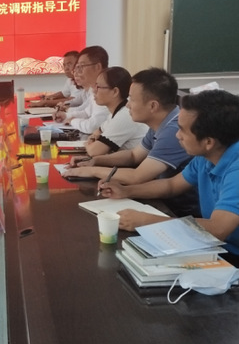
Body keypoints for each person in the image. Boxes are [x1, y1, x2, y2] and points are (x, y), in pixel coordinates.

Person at [99, 89, 239, 254]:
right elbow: (172, 185)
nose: (177, 135)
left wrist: (146, 221)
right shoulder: (207, 156)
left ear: (208, 142)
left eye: (182, 130)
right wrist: (126, 190)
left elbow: (218, 229)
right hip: (213, 245)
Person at [64, 67, 198, 217]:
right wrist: (96, 161)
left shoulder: (174, 130)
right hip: (164, 200)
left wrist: (92, 171)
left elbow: (137, 176)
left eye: (132, 99)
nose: (127, 105)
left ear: (153, 106)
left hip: (181, 211)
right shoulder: (160, 123)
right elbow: (134, 155)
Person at [84, 67, 148, 157]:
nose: (94, 90)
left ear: (115, 91)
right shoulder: (115, 113)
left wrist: (88, 144)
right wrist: (92, 141)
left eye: (98, 87)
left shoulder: (125, 115)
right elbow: (96, 133)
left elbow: (94, 151)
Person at [53, 46, 109, 134]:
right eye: (77, 67)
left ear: (97, 67)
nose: (77, 72)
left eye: (81, 66)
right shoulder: (95, 90)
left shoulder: (106, 91)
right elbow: (86, 112)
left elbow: (93, 127)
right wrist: (66, 116)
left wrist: (72, 121)